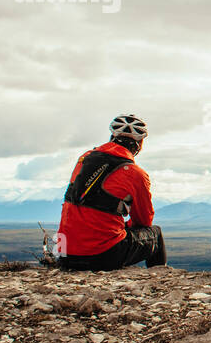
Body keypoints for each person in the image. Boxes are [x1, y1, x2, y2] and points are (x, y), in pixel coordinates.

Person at [57, 114, 166, 271]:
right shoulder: (135, 174)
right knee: (155, 233)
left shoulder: (84, 159)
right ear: (140, 144)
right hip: (103, 256)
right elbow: (144, 220)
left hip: (65, 254)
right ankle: (159, 280)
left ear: (112, 136)